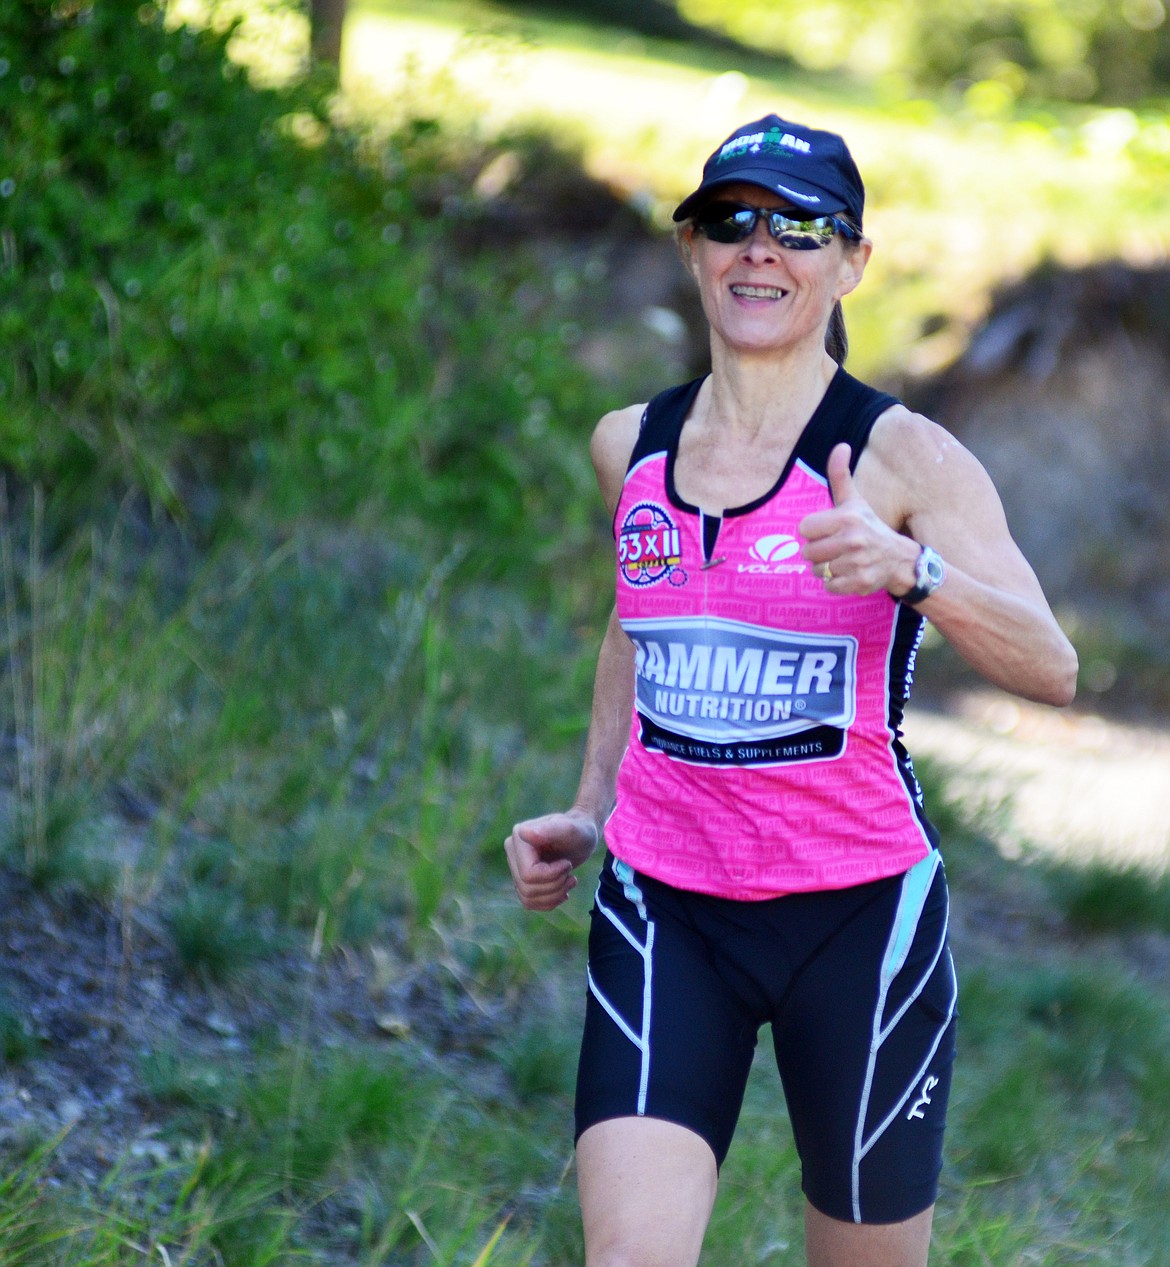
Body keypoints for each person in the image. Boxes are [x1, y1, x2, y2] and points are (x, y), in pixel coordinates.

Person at [504, 114, 1077, 1267]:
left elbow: (1050, 665)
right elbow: (635, 626)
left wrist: (915, 573)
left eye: (800, 226)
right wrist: (592, 806)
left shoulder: (905, 455)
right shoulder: (632, 447)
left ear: (851, 261)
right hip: (666, 903)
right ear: (693, 249)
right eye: (732, 220)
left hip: (857, 917)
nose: (760, 248)